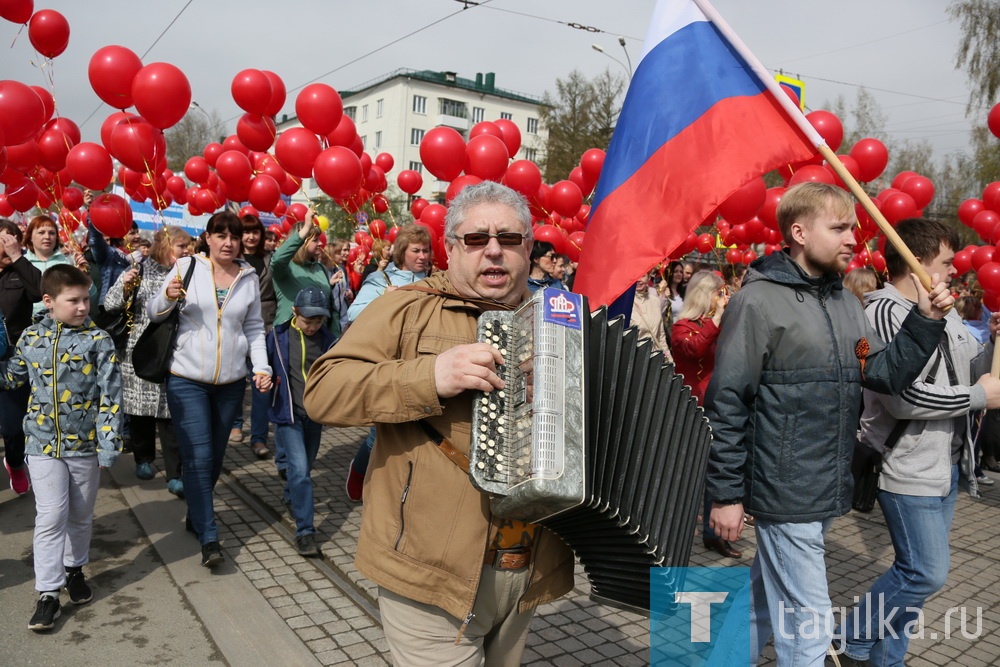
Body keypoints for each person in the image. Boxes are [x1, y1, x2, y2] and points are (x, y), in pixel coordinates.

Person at [303, 181, 574, 665]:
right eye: (476, 239)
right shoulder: (407, 306)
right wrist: (429, 376)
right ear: (450, 248)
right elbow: (323, 390)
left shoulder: (561, 322)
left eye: (509, 239)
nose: (493, 250)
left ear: (529, 248)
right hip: (431, 571)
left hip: (527, 565)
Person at [705, 182, 955, 666]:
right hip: (785, 489)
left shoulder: (846, 306)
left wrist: (924, 320)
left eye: (853, 228)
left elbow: (878, 371)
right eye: (839, 227)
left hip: (825, 484)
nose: (852, 239)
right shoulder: (756, 302)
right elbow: (728, 402)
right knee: (809, 632)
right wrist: (727, 494)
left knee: (759, 602)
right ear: (798, 232)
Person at [836, 219, 1000, 666]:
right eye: (946, 262)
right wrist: (979, 396)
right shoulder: (885, 312)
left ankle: (887, 660)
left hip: (942, 466)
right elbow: (904, 400)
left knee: (911, 582)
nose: (953, 271)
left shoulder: (941, 309)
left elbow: (973, 367)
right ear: (918, 260)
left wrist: (996, 339)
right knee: (925, 572)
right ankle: (845, 638)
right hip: (904, 464)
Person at [0, 265, 122, 632]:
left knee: (81, 514)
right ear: (49, 302)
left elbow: (110, 396)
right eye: (75, 300)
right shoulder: (31, 339)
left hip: (84, 445)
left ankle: (74, 569)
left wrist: (108, 443)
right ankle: (48, 594)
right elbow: (11, 378)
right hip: (41, 444)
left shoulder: (99, 341)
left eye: (86, 299)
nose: (83, 306)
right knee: (51, 515)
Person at [147, 211, 272, 568]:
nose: (229, 242)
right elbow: (155, 312)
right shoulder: (186, 267)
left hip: (231, 384)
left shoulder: (249, 276)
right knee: (199, 458)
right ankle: (210, 537)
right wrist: (168, 296)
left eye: (235, 236)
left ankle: (197, 512)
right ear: (209, 237)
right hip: (186, 380)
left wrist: (260, 367)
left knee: (215, 458)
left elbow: (253, 328)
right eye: (221, 235)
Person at [344, 224, 433, 502]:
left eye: (426, 250)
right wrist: (386, 300)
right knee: (381, 429)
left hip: (424, 362)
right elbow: (354, 313)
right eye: (416, 250)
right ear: (402, 252)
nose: (422, 256)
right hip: (390, 364)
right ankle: (359, 472)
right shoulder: (381, 279)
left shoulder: (435, 279)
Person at [105, 226, 191, 494]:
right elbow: (110, 304)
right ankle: (144, 458)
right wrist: (125, 286)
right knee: (140, 411)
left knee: (170, 416)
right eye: (182, 247)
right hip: (139, 350)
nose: (187, 251)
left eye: (188, 246)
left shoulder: (188, 273)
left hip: (173, 350)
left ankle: (175, 472)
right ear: (166, 247)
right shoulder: (139, 269)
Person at [266, 287, 337, 558]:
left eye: (318, 320)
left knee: (304, 467)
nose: (313, 326)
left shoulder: (329, 341)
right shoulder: (278, 335)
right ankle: (305, 531)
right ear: (295, 313)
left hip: (315, 416)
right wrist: (261, 378)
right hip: (288, 414)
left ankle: (290, 494)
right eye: (309, 320)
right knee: (300, 471)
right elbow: (263, 365)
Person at [671, 271, 737, 559]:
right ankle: (677, 530)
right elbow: (695, 349)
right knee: (688, 474)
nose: (721, 298)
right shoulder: (682, 326)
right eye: (717, 293)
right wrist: (717, 319)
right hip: (691, 406)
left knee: (716, 471)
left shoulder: (721, 324)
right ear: (703, 295)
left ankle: (713, 535)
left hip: (720, 404)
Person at [0, 218, 42, 496]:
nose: (5, 243)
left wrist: (17, 257)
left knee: (14, 426)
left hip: (12, 360)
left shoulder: (23, 271)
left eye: (10, 237)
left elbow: (40, 291)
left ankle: (15, 462)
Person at [231, 214, 277, 459]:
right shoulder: (231, 261)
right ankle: (235, 423)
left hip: (266, 327)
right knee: (237, 381)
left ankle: (259, 437)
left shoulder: (270, 260)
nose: (250, 237)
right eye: (246, 232)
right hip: (235, 327)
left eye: (255, 232)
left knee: (262, 385)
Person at [22, 215, 84, 315]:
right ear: (30, 237)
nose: (47, 237)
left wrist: (83, 275)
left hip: (64, 319)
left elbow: (86, 295)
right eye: (41, 232)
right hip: (31, 322)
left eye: (51, 233)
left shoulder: (69, 260)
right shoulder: (22, 263)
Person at [629, 268, 672, 360]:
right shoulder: (625, 303)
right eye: (635, 276)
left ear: (649, 278)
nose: (638, 279)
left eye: (643, 276)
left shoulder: (655, 301)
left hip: (654, 360)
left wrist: (669, 360)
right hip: (634, 359)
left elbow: (661, 336)